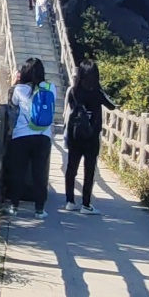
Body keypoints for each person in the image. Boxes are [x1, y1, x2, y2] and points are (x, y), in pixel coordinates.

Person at [61, 60, 118, 214]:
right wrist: (100, 90)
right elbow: (112, 106)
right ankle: (86, 205)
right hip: (92, 135)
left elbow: (71, 108)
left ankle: (70, 201)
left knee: (71, 168)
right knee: (89, 169)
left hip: (75, 134)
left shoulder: (73, 91)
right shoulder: (97, 94)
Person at [2, 58, 55, 219]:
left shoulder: (19, 89)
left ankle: (14, 206)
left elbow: (11, 104)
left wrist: (13, 83)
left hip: (22, 136)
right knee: (39, 173)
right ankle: (40, 209)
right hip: (44, 137)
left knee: (18, 172)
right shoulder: (51, 87)